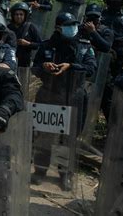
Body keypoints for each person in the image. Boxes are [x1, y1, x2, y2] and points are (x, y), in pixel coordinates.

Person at [31, 12, 97, 190]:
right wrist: (44, 67)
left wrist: (71, 66)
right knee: (44, 135)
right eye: (68, 25)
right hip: (49, 94)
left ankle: (65, 175)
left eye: (74, 25)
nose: (72, 28)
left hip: (74, 97)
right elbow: (34, 68)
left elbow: (91, 68)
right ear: (58, 28)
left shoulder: (84, 47)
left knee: (68, 138)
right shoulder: (46, 46)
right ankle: (40, 171)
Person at [100, 0, 123, 120]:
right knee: (101, 88)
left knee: (116, 88)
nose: (116, 2)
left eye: (119, 0)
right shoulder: (100, 16)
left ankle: (114, 121)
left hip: (121, 57)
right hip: (101, 54)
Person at [7, 2, 42, 67]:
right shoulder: (9, 28)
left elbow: (39, 44)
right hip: (9, 61)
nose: (18, 16)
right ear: (13, 15)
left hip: (24, 63)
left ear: (25, 15)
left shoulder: (31, 27)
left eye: (21, 14)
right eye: (16, 14)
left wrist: (28, 44)